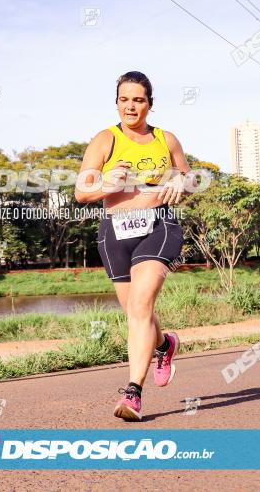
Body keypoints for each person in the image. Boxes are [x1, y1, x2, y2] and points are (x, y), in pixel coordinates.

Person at [75, 70, 192, 421]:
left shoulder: (166, 140)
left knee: (142, 304)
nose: (131, 106)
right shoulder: (104, 140)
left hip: (159, 226)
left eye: (138, 100)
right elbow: (82, 193)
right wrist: (110, 184)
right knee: (136, 314)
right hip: (115, 233)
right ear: (116, 103)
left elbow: (188, 179)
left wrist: (180, 186)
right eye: (124, 99)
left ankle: (133, 393)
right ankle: (164, 344)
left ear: (149, 105)